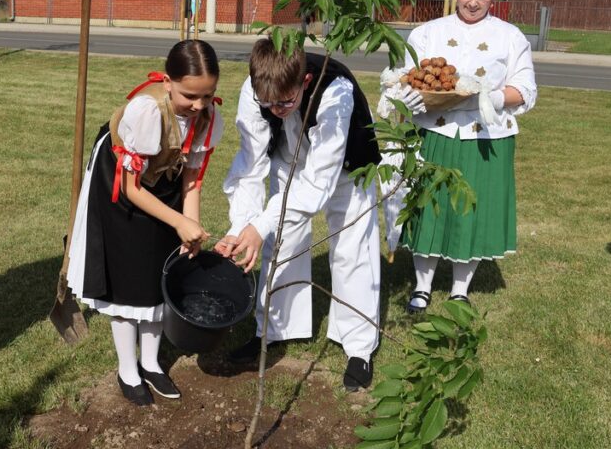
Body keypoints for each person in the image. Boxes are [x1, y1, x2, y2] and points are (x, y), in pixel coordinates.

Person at [215, 39, 382, 392]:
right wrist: (242, 226)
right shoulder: (254, 89)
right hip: (287, 158)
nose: (275, 109)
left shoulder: (336, 90)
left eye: (285, 102)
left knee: (352, 249)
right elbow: (250, 165)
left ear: (304, 82)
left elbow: (319, 182)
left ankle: (359, 346)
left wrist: (261, 224)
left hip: (347, 166)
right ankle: (272, 332)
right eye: (267, 103)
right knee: (279, 242)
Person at [67, 40, 223, 406]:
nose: (200, 105)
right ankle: (127, 368)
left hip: (165, 178)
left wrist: (190, 223)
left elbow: (193, 178)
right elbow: (131, 189)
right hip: (121, 186)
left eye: (208, 95)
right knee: (129, 279)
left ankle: (151, 363)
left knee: (160, 272)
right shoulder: (146, 113)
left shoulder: (207, 116)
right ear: (167, 82)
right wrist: (178, 220)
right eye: (190, 96)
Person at [378, 0, 537, 314]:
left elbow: (526, 88)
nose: (473, 1)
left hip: (485, 139)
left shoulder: (509, 37)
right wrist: (407, 97)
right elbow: (404, 76)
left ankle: (460, 290)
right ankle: (421, 287)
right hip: (433, 132)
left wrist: (492, 97)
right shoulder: (429, 32)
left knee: (470, 211)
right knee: (427, 208)